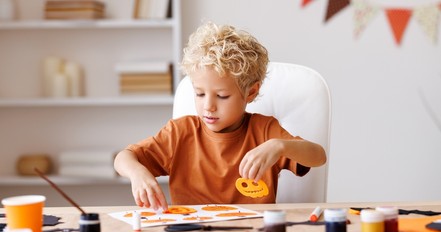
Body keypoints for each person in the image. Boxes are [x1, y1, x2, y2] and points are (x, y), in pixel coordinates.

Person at [114, 22, 326, 210]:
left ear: (250, 93)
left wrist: (280, 146)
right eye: (199, 93)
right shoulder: (180, 133)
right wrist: (137, 174)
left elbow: (318, 156)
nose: (208, 106)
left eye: (222, 96)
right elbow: (123, 158)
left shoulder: (264, 131)